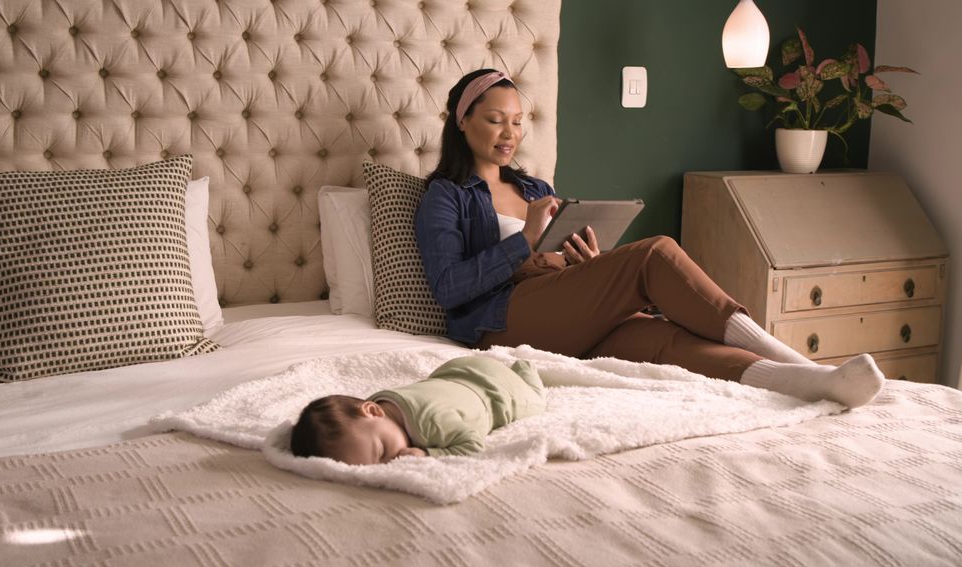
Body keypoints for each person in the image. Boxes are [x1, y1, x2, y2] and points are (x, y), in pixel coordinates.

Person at [413, 68, 884, 409]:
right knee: (654, 253)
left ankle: (810, 382)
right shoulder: (446, 195)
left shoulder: (534, 188)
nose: (510, 133)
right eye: (496, 120)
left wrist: (588, 263)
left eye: (517, 121)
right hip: (499, 322)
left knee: (669, 343)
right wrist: (526, 241)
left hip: (564, 312)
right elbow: (450, 288)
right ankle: (791, 355)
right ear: (461, 120)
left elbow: (557, 259)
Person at [287, 355, 546, 465]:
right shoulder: (381, 405)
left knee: (535, 403)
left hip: (496, 390)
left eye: (384, 452)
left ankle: (526, 368)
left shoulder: (432, 424)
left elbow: (473, 445)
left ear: (373, 411)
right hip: (461, 368)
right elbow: (347, 418)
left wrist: (427, 453)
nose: (393, 461)